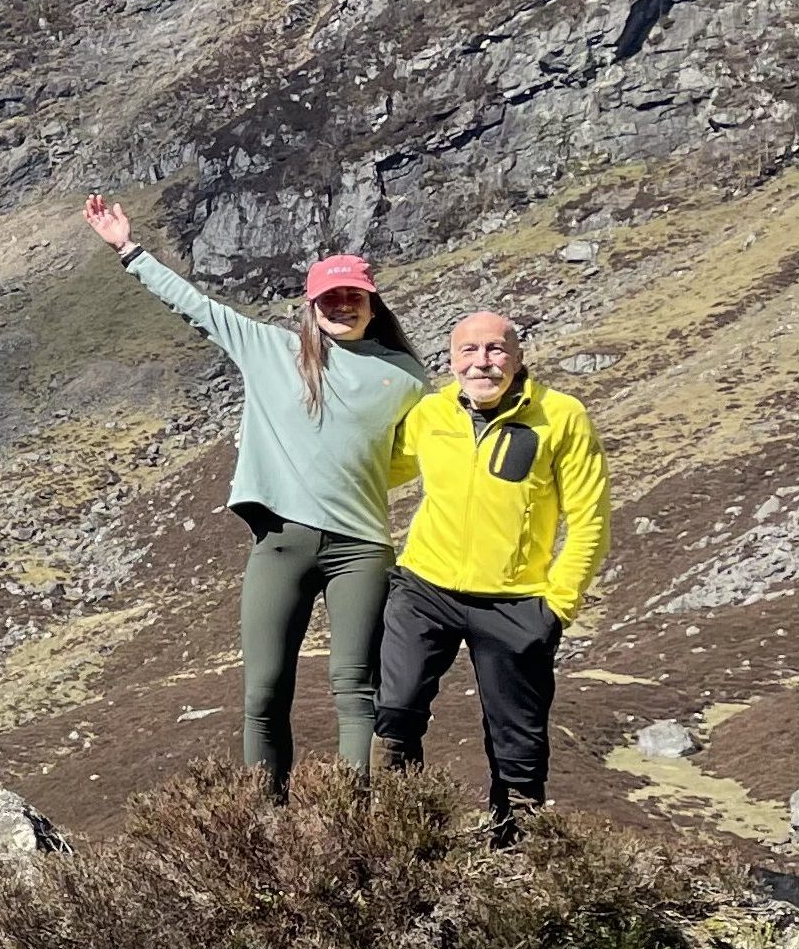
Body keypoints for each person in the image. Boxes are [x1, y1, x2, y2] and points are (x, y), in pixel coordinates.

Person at [85, 194, 429, 794]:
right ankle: (262, 822)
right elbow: (195, 306)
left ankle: (358, 822)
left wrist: (362, 476)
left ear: (372, 302)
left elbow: (415, 455)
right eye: (330, 297)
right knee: (264, 692)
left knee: (356, 690)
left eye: (353, 295)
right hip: (281, 544)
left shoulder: (405, 376)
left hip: (362, 549)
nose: (342, 305)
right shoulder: (270, 349)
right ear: (311, 305)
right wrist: (128, 249)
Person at [376, 310, 611, 838]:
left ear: (518, 357)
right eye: (469, 350)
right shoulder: (431, 413)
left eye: (496, 349)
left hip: (517, 601)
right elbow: (377, 470)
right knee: (395, 711)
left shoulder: (562, 416)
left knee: (518, 742)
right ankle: (399, 837)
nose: (482, 362)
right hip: (425, 588)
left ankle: (516, 852)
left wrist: (557, 606)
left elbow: (590, 519)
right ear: (451, 360)